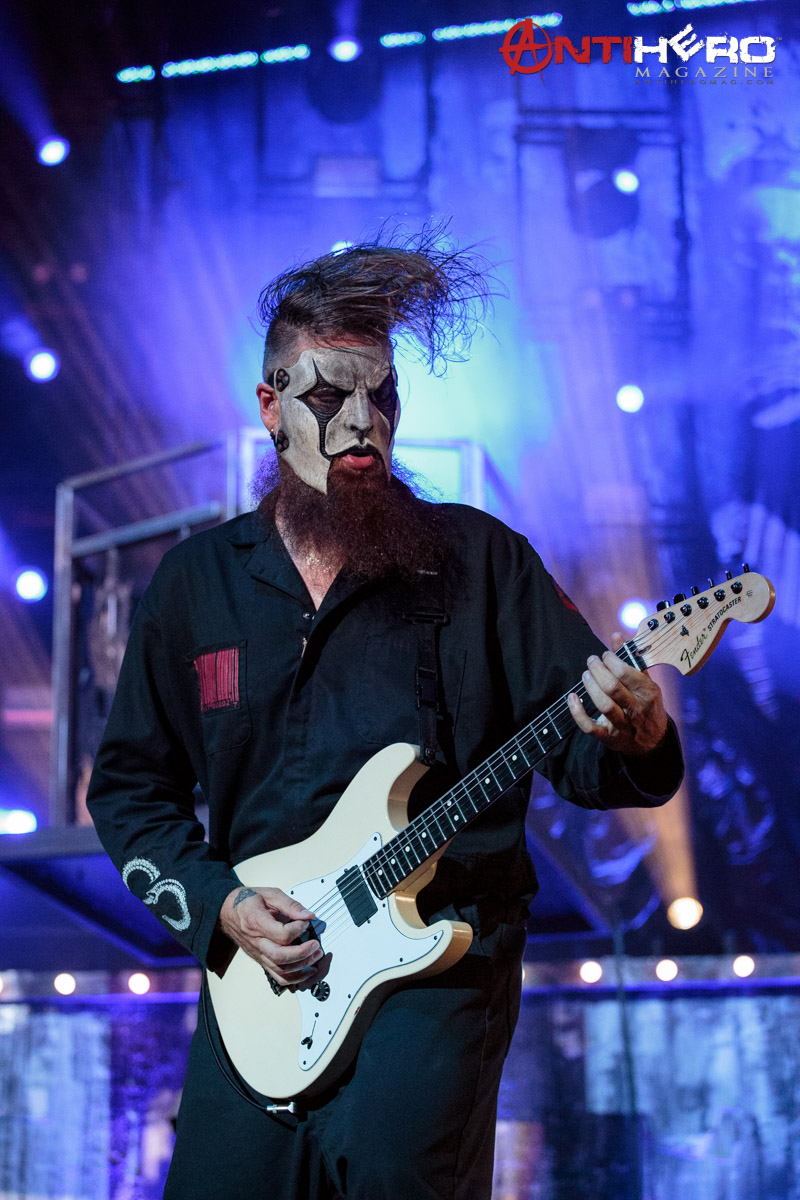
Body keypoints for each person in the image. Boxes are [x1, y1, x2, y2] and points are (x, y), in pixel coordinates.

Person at [86, 231, 683, 1200]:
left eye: (383, 396)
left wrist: (639, 735)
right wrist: (223, 907)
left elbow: (585, 752)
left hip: (436, 971)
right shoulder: (195, 586)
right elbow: (128, 792)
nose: (363, 423)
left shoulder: (481, 561)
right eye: (330, 397)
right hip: (261, 983)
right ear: (271, 407)